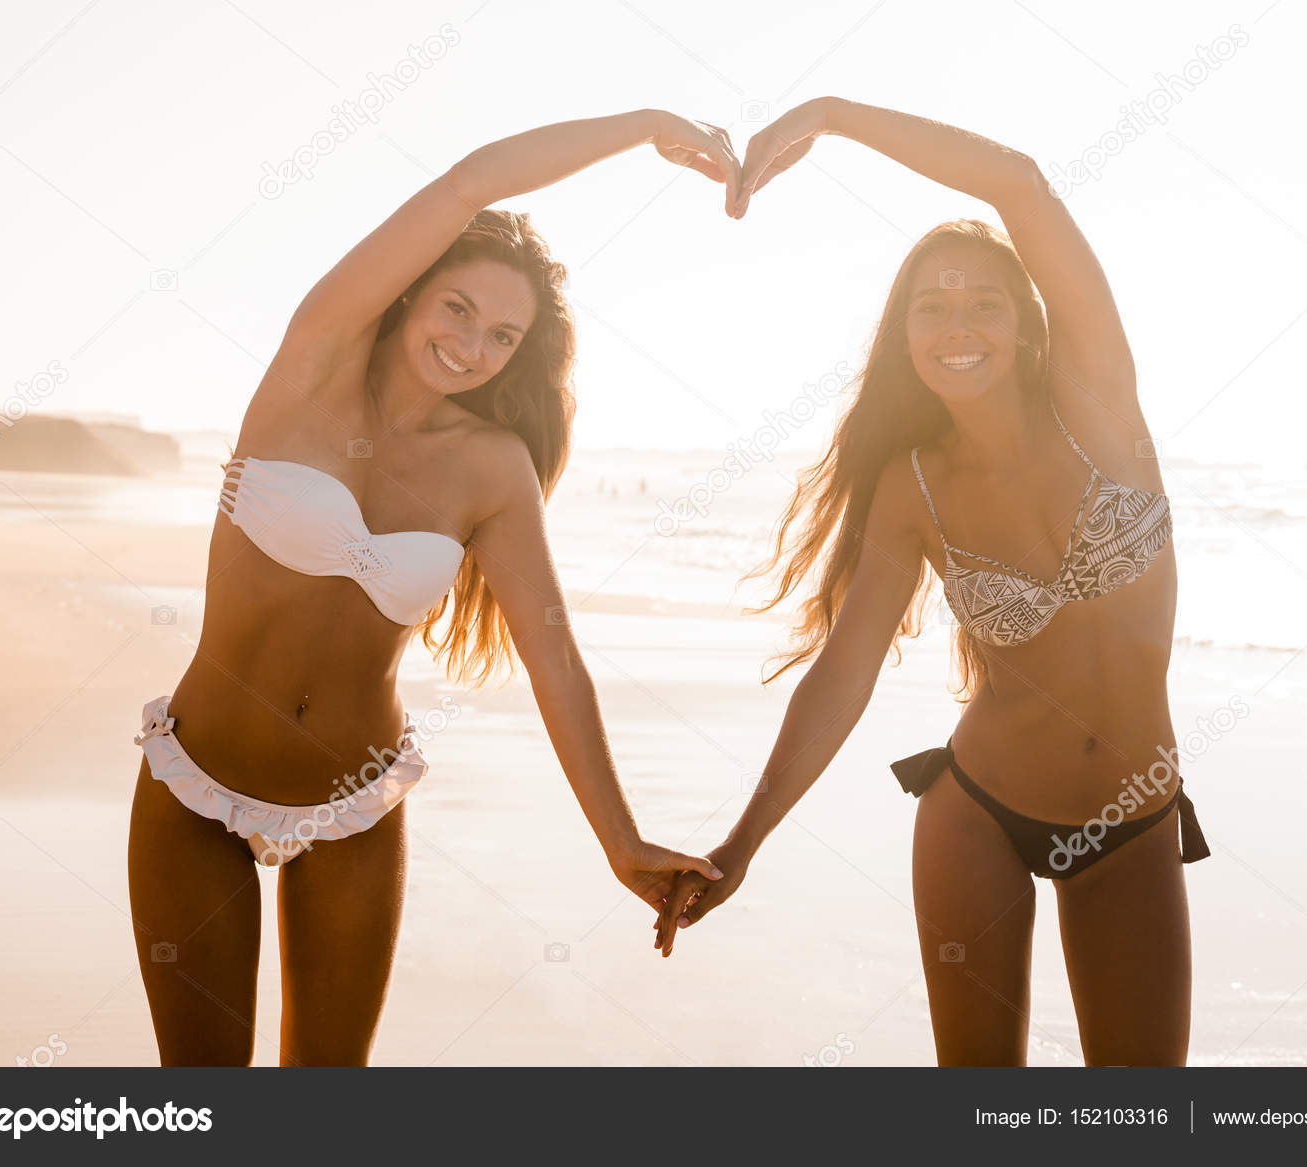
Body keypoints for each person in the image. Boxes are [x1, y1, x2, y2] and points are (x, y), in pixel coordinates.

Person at [128, 109, 739, 1066]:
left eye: (503, 335)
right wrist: (646, 127)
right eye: (457, 307)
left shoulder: (494, 468)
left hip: (358, 806)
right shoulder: (312, 365)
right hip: (196, 782)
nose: (471, 344)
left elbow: (556, 659)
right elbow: (470, 181)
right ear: (413, 293)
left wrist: (621, 842)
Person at [655, 98, 1209, 1067]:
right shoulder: (910, 486)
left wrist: (829, 117)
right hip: (977, 814)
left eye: (984, 303)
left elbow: (1018, 182)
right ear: (905, 339)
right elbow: (845, 672)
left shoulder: (1100, 406)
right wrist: (741, 844)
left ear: (1028, 328)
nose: (958, 326)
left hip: (1131, 819)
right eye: (931, 307)